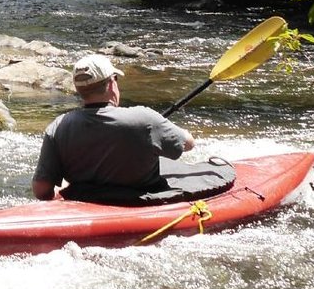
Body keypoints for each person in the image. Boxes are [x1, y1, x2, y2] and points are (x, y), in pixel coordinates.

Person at [32, 53, 194, 203]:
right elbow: (188, 144)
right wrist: (172, 129)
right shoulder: (145, 118)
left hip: (83, 204)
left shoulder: (58, 126)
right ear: (111, 84)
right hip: (141, 205)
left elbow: (41, 191)